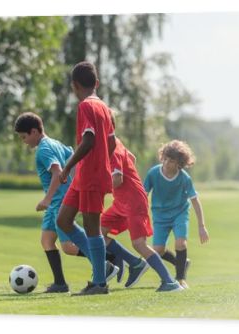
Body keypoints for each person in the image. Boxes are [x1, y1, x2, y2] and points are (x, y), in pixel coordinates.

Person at [14, 112, 118, 293]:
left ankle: (104, 264)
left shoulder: (44, 149)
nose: (24, 141)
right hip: (57, 201)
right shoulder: (55, 143)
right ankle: (60, 284)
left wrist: (47, 199)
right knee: (47, 240)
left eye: (24, 137)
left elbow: (57, 171)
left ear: (34, 131)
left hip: (58, 202)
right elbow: (75, 160)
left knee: (69, 247)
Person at [57, 61, 116, 296]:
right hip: (86, 175)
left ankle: (100, 283)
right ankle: (102, 267)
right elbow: (110, 143)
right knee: (63, 220)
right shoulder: (105, 108)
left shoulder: (85, 107)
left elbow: (88, 140)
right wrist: (102, 161)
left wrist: (67, 166)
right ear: (97, 83)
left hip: (89, 175)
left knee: (92, 228)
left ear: (74, 86)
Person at [101, 135, 183, 292]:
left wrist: (98, 188)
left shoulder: (113, 149)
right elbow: (132, 158)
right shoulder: (115, 142)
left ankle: (170, 282)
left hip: (133, 201)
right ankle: (134, 263)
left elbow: (117, 179)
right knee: (99, 233)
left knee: (139, 244)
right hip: (121, 201)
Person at [143, 140, 210, 289]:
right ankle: (181, 262)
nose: (166, 163)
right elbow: (143, 194)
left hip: (179, 213)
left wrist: (202, 226)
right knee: (158, 250)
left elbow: (195, 201)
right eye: (165, 158)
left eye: (171, 160)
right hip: (160, 216)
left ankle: (181, 278)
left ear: (179, 163)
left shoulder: (184, 178)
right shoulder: (153, 173)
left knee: (181, 243)